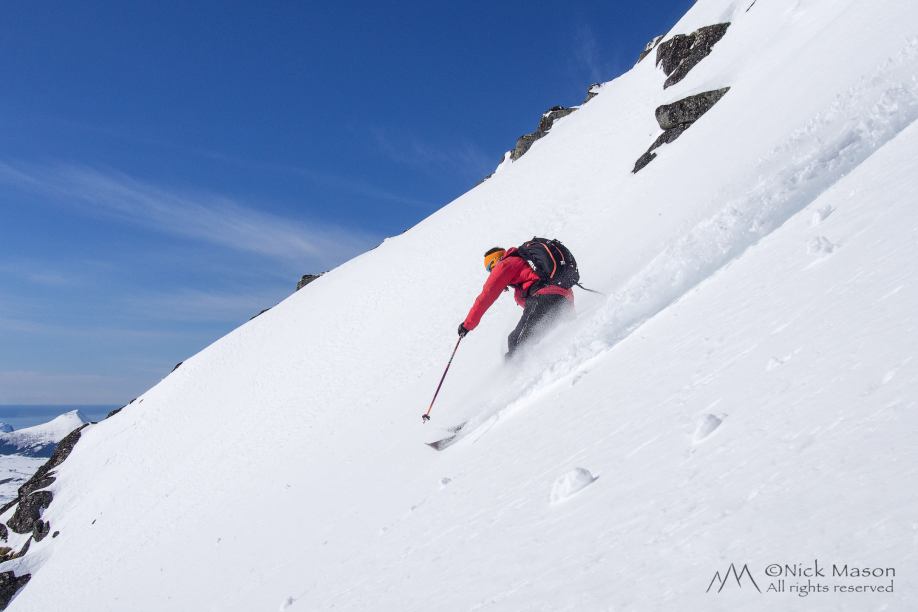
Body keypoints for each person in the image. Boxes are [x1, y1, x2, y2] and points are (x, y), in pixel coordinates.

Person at [458, 245, 574, 357]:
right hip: (564, 298)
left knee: (516, 342)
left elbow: (486, 296)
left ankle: (512, 374)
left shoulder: (504, 265)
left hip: (545, 297)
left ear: (495, 261)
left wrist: (467, 325)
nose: (491, 273)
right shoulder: (520, 261)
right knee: (551, 336)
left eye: (490, 269)